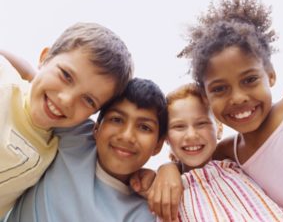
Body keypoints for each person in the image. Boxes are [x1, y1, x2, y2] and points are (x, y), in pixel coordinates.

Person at [177, 0, 283, 221]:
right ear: (205, 97)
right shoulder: (228, 152)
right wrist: (166, 172)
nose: (237, 98)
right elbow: (187, 164)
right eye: (219, 89)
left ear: (271, 75)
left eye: (249, 80)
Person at [0, 22, 133, 217]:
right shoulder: (5, 82)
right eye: (66, 76)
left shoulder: (60, 144)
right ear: (44, 58)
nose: (66, 100)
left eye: (88, 100)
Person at [3, 78, 167, 222]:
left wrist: (170, 169)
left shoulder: (145, 213)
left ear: (158, 144)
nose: (127, 136)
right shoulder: (77, 136)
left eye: (144, 127)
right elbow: (37, 80)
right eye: (116, 119)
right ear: (96, 128)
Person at [162, 83, 283, 221]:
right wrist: (166, 168)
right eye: (179, 127)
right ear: (165, 137)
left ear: (219, 128)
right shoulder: (165, 191)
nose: (191, 135)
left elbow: (273, 127)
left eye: (202, 123)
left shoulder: (239, 162)